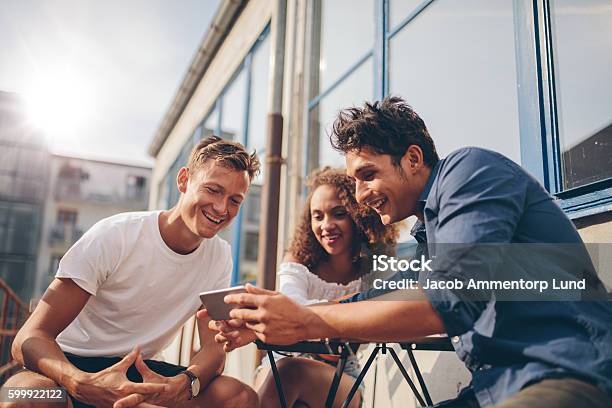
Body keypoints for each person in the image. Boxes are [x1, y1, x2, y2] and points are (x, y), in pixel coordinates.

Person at [205, 97, 612, 407]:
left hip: (568, 371)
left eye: (368, 175)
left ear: (413, 159)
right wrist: (267, 320)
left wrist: (306, 321)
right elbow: (375, 297)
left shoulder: (469, 172)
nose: (362, 196)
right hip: (494, 388)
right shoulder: (428, 232)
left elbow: (450, 300)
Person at [2, 136, 260, 408]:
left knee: (240, 397)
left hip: (141, 372)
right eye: (213, 190)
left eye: (235, 200)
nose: (222, 208)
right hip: (67, 366)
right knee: (21, 397)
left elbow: (213, 347)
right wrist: (79, 382)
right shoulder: (116, 235)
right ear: (184, 180)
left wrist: (186, 382)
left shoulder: (220, 257)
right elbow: (27, 339)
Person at [216, 167, 397, 408]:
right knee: (284, 370)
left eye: (339, 213)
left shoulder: (377, 265)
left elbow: (379, 312)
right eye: (318, 216)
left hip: (342, 371)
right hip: (279, 360)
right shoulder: (298, 260)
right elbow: (294, 306)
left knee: (290, 372)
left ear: (359, 215)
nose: (326, 225)